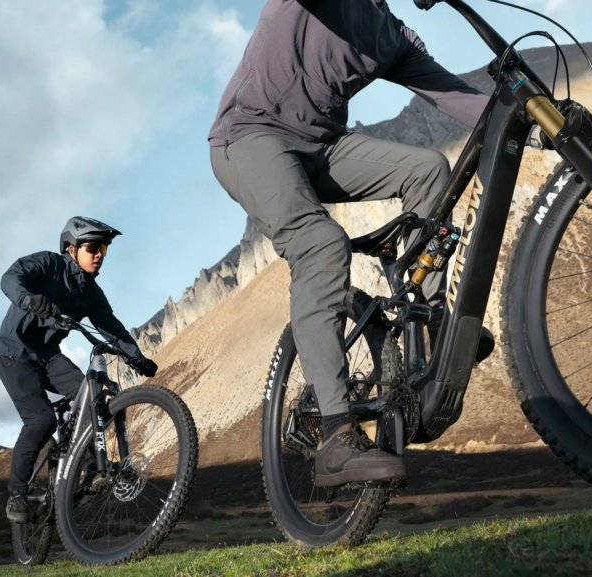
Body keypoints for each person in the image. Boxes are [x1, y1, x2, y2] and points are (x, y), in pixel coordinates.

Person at [208, 0, 490, 487]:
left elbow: (455, 95)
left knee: (428, 169)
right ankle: (336, 435)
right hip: (250, 136)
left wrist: (544, 123)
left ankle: (429, 327)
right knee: (320, 243)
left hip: (322, 148)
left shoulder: (390, 36)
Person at [0, 216, 158, 523]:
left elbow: (111, 327)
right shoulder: (48, 265)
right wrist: (29, 300)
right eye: (93, 247)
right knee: (40, 420)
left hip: (49, 357)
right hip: (13, 354)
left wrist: (137, 357)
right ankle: (17, 495)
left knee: (92, 402)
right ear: (71, 250)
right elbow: (9, 277)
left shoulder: (91, 293)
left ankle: (90, 464)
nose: (99, 255)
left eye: (103, 250)